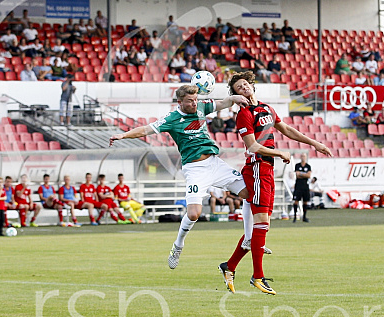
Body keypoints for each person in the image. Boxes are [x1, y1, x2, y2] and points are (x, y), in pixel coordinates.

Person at [110, 84, 253, 269]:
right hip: (195, 169)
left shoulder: (201, 106)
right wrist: (123, 135)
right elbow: (146, 129)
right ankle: (178, 245)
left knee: (250, 193)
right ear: (180, 102)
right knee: (194, 214)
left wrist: (235, 99)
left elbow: (222, 103)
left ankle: (249, 238)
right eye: (190, 101)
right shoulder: (172, 118)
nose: (194, 104)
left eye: (195, 100)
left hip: (215, 164)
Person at [219, 71, 332, 295]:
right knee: (261, 222)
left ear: (252, 86)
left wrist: (315, 143)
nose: (244, 88)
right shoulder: (243, 114)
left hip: (267, 169)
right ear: (235, 95)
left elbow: (287, 130)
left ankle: (229, 266)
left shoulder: (267, 109)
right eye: (238, 88)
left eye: (246, 84)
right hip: (258, 167)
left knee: (260, 226)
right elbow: (252, 147)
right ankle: (257, 277)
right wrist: (279, 152)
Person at [292, 153, 312, 223]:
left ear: (306, 157)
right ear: (300, 157)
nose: (303, 157)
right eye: (302, 156)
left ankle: (304, 217)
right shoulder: (297, 165)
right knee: (296, 201)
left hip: (305, 186)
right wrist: (304, 174)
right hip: (298, 185)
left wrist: (301, 174)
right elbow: (297, 175)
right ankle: (295, 217)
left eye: (304, 156)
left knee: (305, 201)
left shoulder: (308, 166)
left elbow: (309, 175)